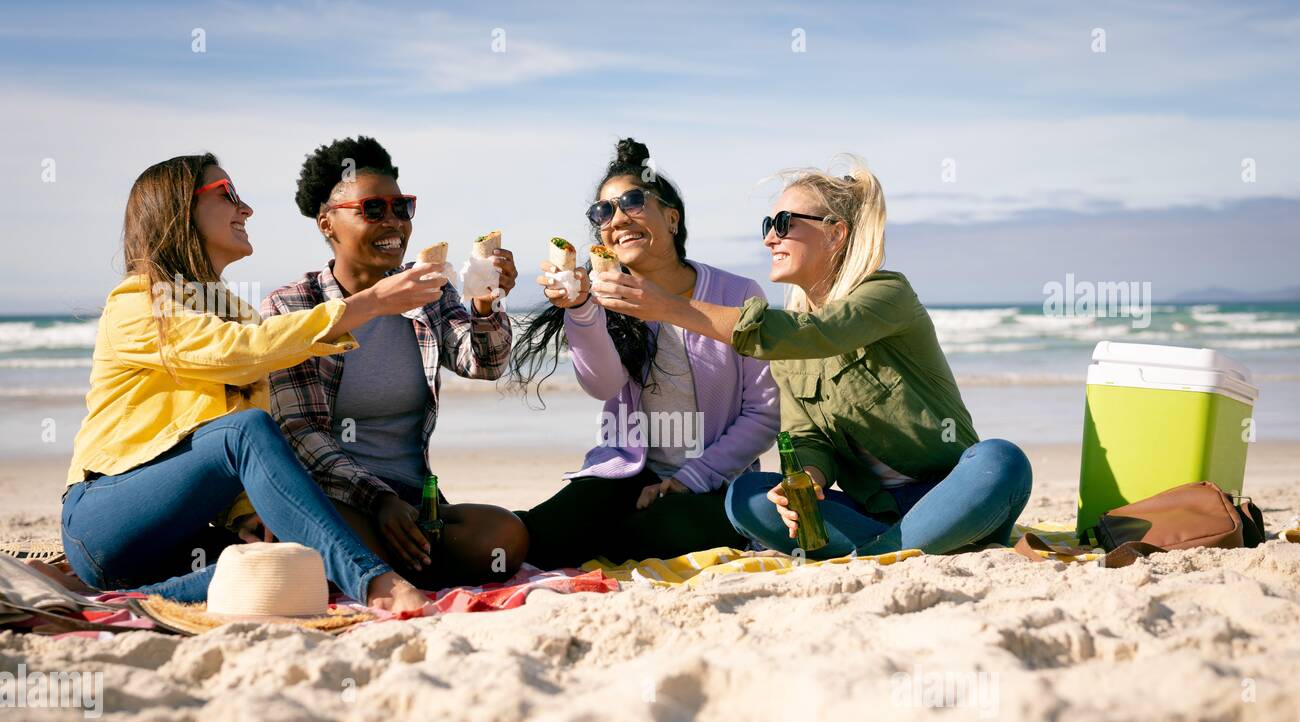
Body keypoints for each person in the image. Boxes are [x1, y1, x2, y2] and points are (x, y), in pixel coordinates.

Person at [588, 155, 1032, 558]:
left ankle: (896, 547)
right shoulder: (787, 344)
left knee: (1001, 460)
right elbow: (806, 438)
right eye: (767, 225)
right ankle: (910, 544)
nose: (769, 239)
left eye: (783, 223)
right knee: (748, 497)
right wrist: (809, 479)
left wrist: (671, 307)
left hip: (951, 490)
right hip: (869, 511)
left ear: (835, 232)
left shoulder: (886, 293)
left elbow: (820, 333)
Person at [61, 154, 438, 611]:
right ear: (180, 209)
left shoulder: (235, 309)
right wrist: (367, 304)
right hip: (103, 521)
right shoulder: (139, 301)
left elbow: (234, 400)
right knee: (250, 430)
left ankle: (119, 601)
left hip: (179, 536)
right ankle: (378, 585)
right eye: (227, 195)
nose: (246, 209)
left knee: (296, 561)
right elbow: (237, 354)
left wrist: (247, 514)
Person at [264, 136, 527, 588]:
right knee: (336, 534)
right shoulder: (293, 306)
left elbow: (484, 363)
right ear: (327, 223)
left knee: (504, 536)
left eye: (401, 207)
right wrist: (378, 500)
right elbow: (299, 431)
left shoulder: (428, 290)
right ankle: (370, 563)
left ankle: (362, 569)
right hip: (334, 498)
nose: (393, 222)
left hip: (415, 502)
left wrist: (486, 301)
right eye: (373, 209)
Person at [511, 139, 778, 568]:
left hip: (715, 481)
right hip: (627, 472)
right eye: (603, 211)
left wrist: (691, 478)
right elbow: (602, 385)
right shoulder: (599, 299)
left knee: (651, 531)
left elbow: (764, 413)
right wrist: (580, 311)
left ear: (671, 218)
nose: (617, 219)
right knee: (544, 535)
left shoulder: (737, 294)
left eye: (633, 202)